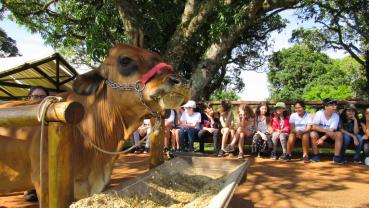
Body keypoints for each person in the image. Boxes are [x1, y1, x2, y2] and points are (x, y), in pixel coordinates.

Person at [24, 86, 49, 202]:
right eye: (35, 96)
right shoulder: (21, 114)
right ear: (29, 98)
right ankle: (30, 189)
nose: (39, 99)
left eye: (42, 97)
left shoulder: (50, 115)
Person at [310, 98, 344, 164]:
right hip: (320, 133)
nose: (335, 107)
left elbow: (331, 130)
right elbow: (314, 126)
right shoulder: (319, 113)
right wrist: (326, 131)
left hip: (329, 135)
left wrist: (322, 139)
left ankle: (336, 157)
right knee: (313, 134)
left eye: (335, 105)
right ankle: (315, 156)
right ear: (325, 107)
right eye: (332, 105)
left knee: (339, 134)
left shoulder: (336, 116)